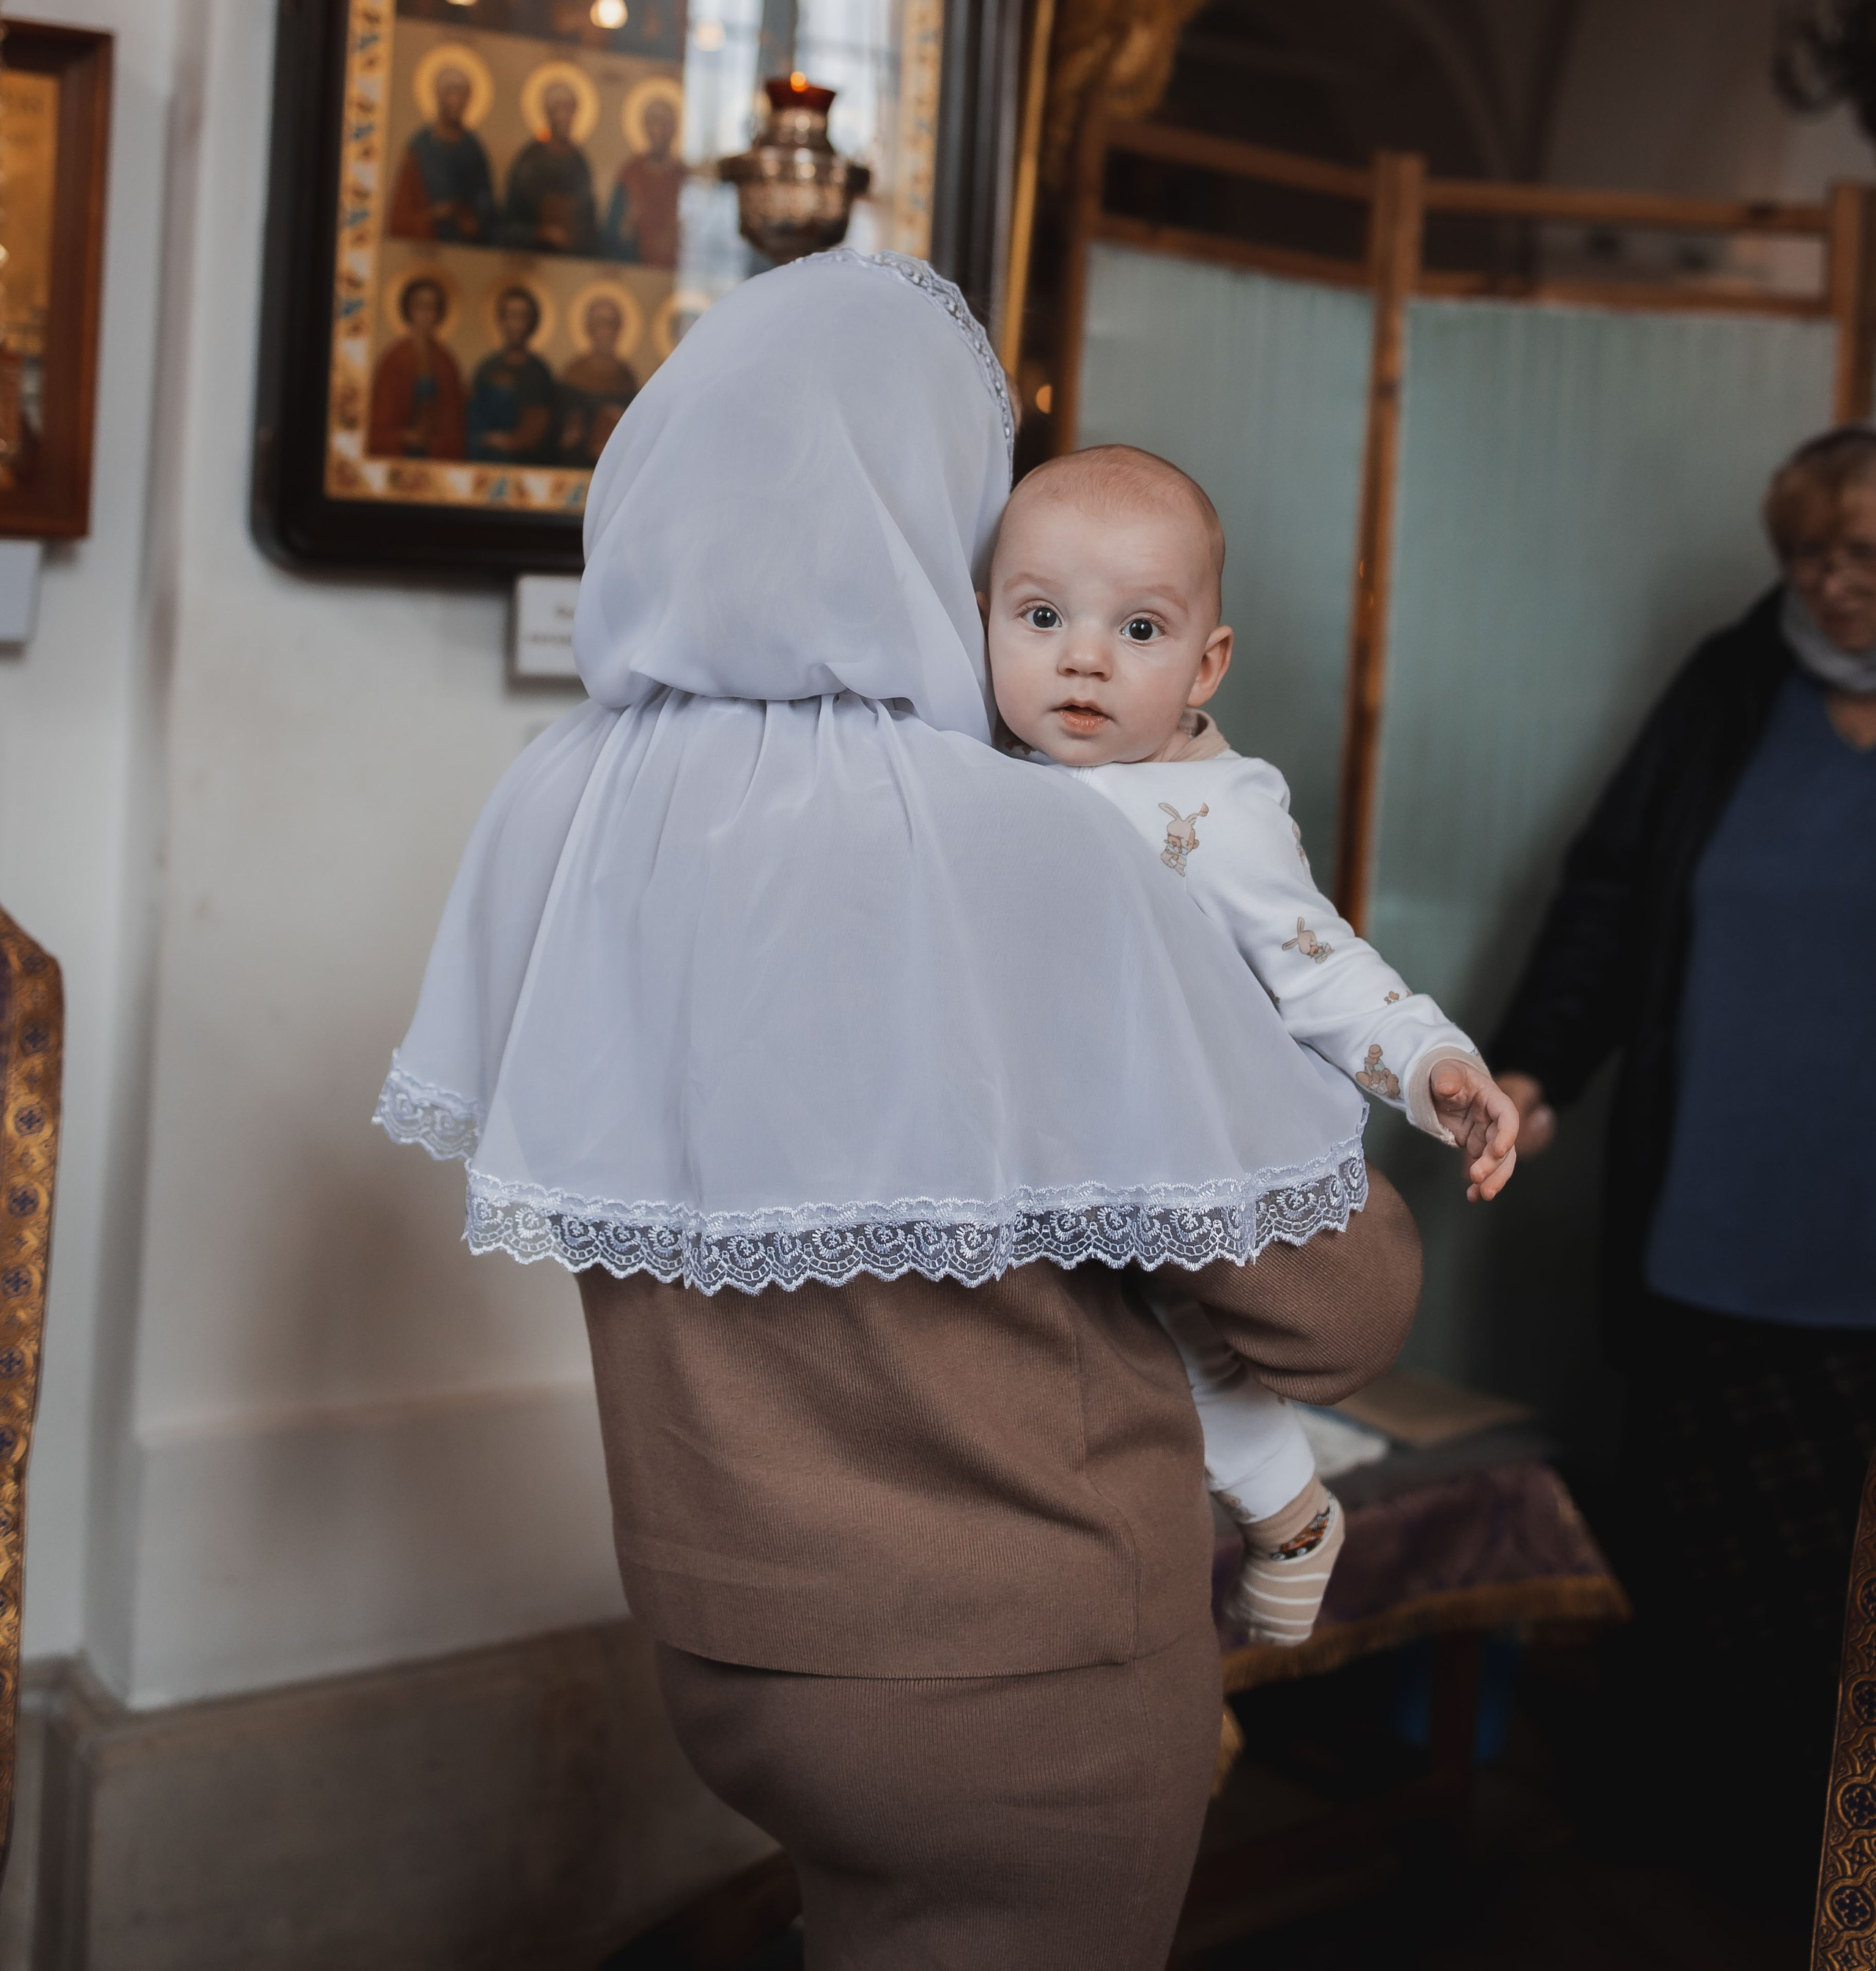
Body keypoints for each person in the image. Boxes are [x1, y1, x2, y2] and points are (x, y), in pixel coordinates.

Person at [375, 249, 1422, 1971]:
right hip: (1016, 1674)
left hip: (729, 1645)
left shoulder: (568, 800)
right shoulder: (1021, 844)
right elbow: (1333, 1307)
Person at [986, 443, 1518, 1641]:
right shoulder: (985, 770)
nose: (1081, 655)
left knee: (1180, 1333)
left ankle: (1291, 1515)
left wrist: (1433, 1064)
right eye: (1040, 616)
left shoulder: (1212, 815)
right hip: (1036, 1136)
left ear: (1203, 665)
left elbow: (1320, 965)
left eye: (1138, 630)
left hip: (1176, 1127)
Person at [1492, 424, 1876, 1912]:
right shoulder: (1730, 688)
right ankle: (1728, 1870)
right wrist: (1530, 1067)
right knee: (1725, 1590)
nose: (1828, 587)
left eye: (1860, 559)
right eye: (1803, 559)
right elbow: (1609, 889)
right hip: (1715, 1218)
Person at [388, 63, 496, 243]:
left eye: (463, 95)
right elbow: (401, 217)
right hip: (425, 241)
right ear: (439, 96)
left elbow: (486, 208)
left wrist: (472, 220)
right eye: (451, 93)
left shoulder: (474, 149)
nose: (457, 101)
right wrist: (433, 215)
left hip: (463, 246)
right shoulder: (419, 147)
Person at [366, 278, 465, 459]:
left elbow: (454, 423)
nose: (425, 314)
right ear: (409, 310)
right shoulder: (394, 358)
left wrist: (437, 441)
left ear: (439, 313)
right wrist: (403, 436)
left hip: (435, 452)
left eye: (432, 307)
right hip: (400, 450)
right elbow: (379, 420)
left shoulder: (447, 362)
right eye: (419, 306)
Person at [499, 81, 599, 255]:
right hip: (531, 256)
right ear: (547, 113)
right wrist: (539, 233)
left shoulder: (579, 163)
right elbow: (509, 222)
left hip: (569, 259)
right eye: (557, 109)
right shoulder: (529, 160)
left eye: (568, 109)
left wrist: (574, 237)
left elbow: (588, 222)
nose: (563, 116)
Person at [464, 286, 558, 462]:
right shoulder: (487, 368)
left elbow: (540, 428)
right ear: (502, 320)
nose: (517, 325)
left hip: (526, 463)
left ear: (532, 323)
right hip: (486, 461)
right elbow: (473, 419)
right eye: (512, 316)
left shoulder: (538, 372)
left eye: (523, 317)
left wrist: (511, 442)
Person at [600, 95, 683, 269]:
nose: (659, 130)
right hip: (636, 264)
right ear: (645, 127)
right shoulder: (630, 174)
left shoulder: (683, 176)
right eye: (654, 123)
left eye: (666, 124)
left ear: (674, 129)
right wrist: (626, 226)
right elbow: (612, 233)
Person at [556, 295, 637, 465]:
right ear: (589, 327)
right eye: (600, 322)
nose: (605, 330)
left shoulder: (627, 376)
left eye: (611, 323)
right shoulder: (573, 371)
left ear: (619, 329)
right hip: (575, 463)